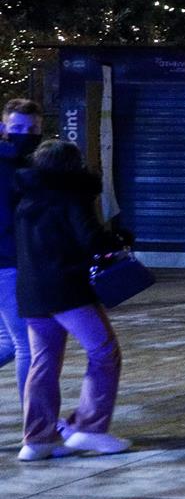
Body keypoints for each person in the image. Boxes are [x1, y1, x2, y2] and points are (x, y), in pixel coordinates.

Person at [14, 139, 133, 461]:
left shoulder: (26, 198)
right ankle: (90, 429)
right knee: (105, 352)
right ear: (72, 165)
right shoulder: (72, 196)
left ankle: (38, 439)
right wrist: (118, 242)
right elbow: (91, 239)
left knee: (43, 362)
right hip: (66, 289)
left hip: (31, 291)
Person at [0, 99, 45, 393]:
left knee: (8, 342)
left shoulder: (27, 165)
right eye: (17, 127)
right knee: (27, 344)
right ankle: (37, 425)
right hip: (8, 263)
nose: (25, 133)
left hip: (11, 262)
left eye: (32, 128)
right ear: (3, 128)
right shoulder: (13, 169)